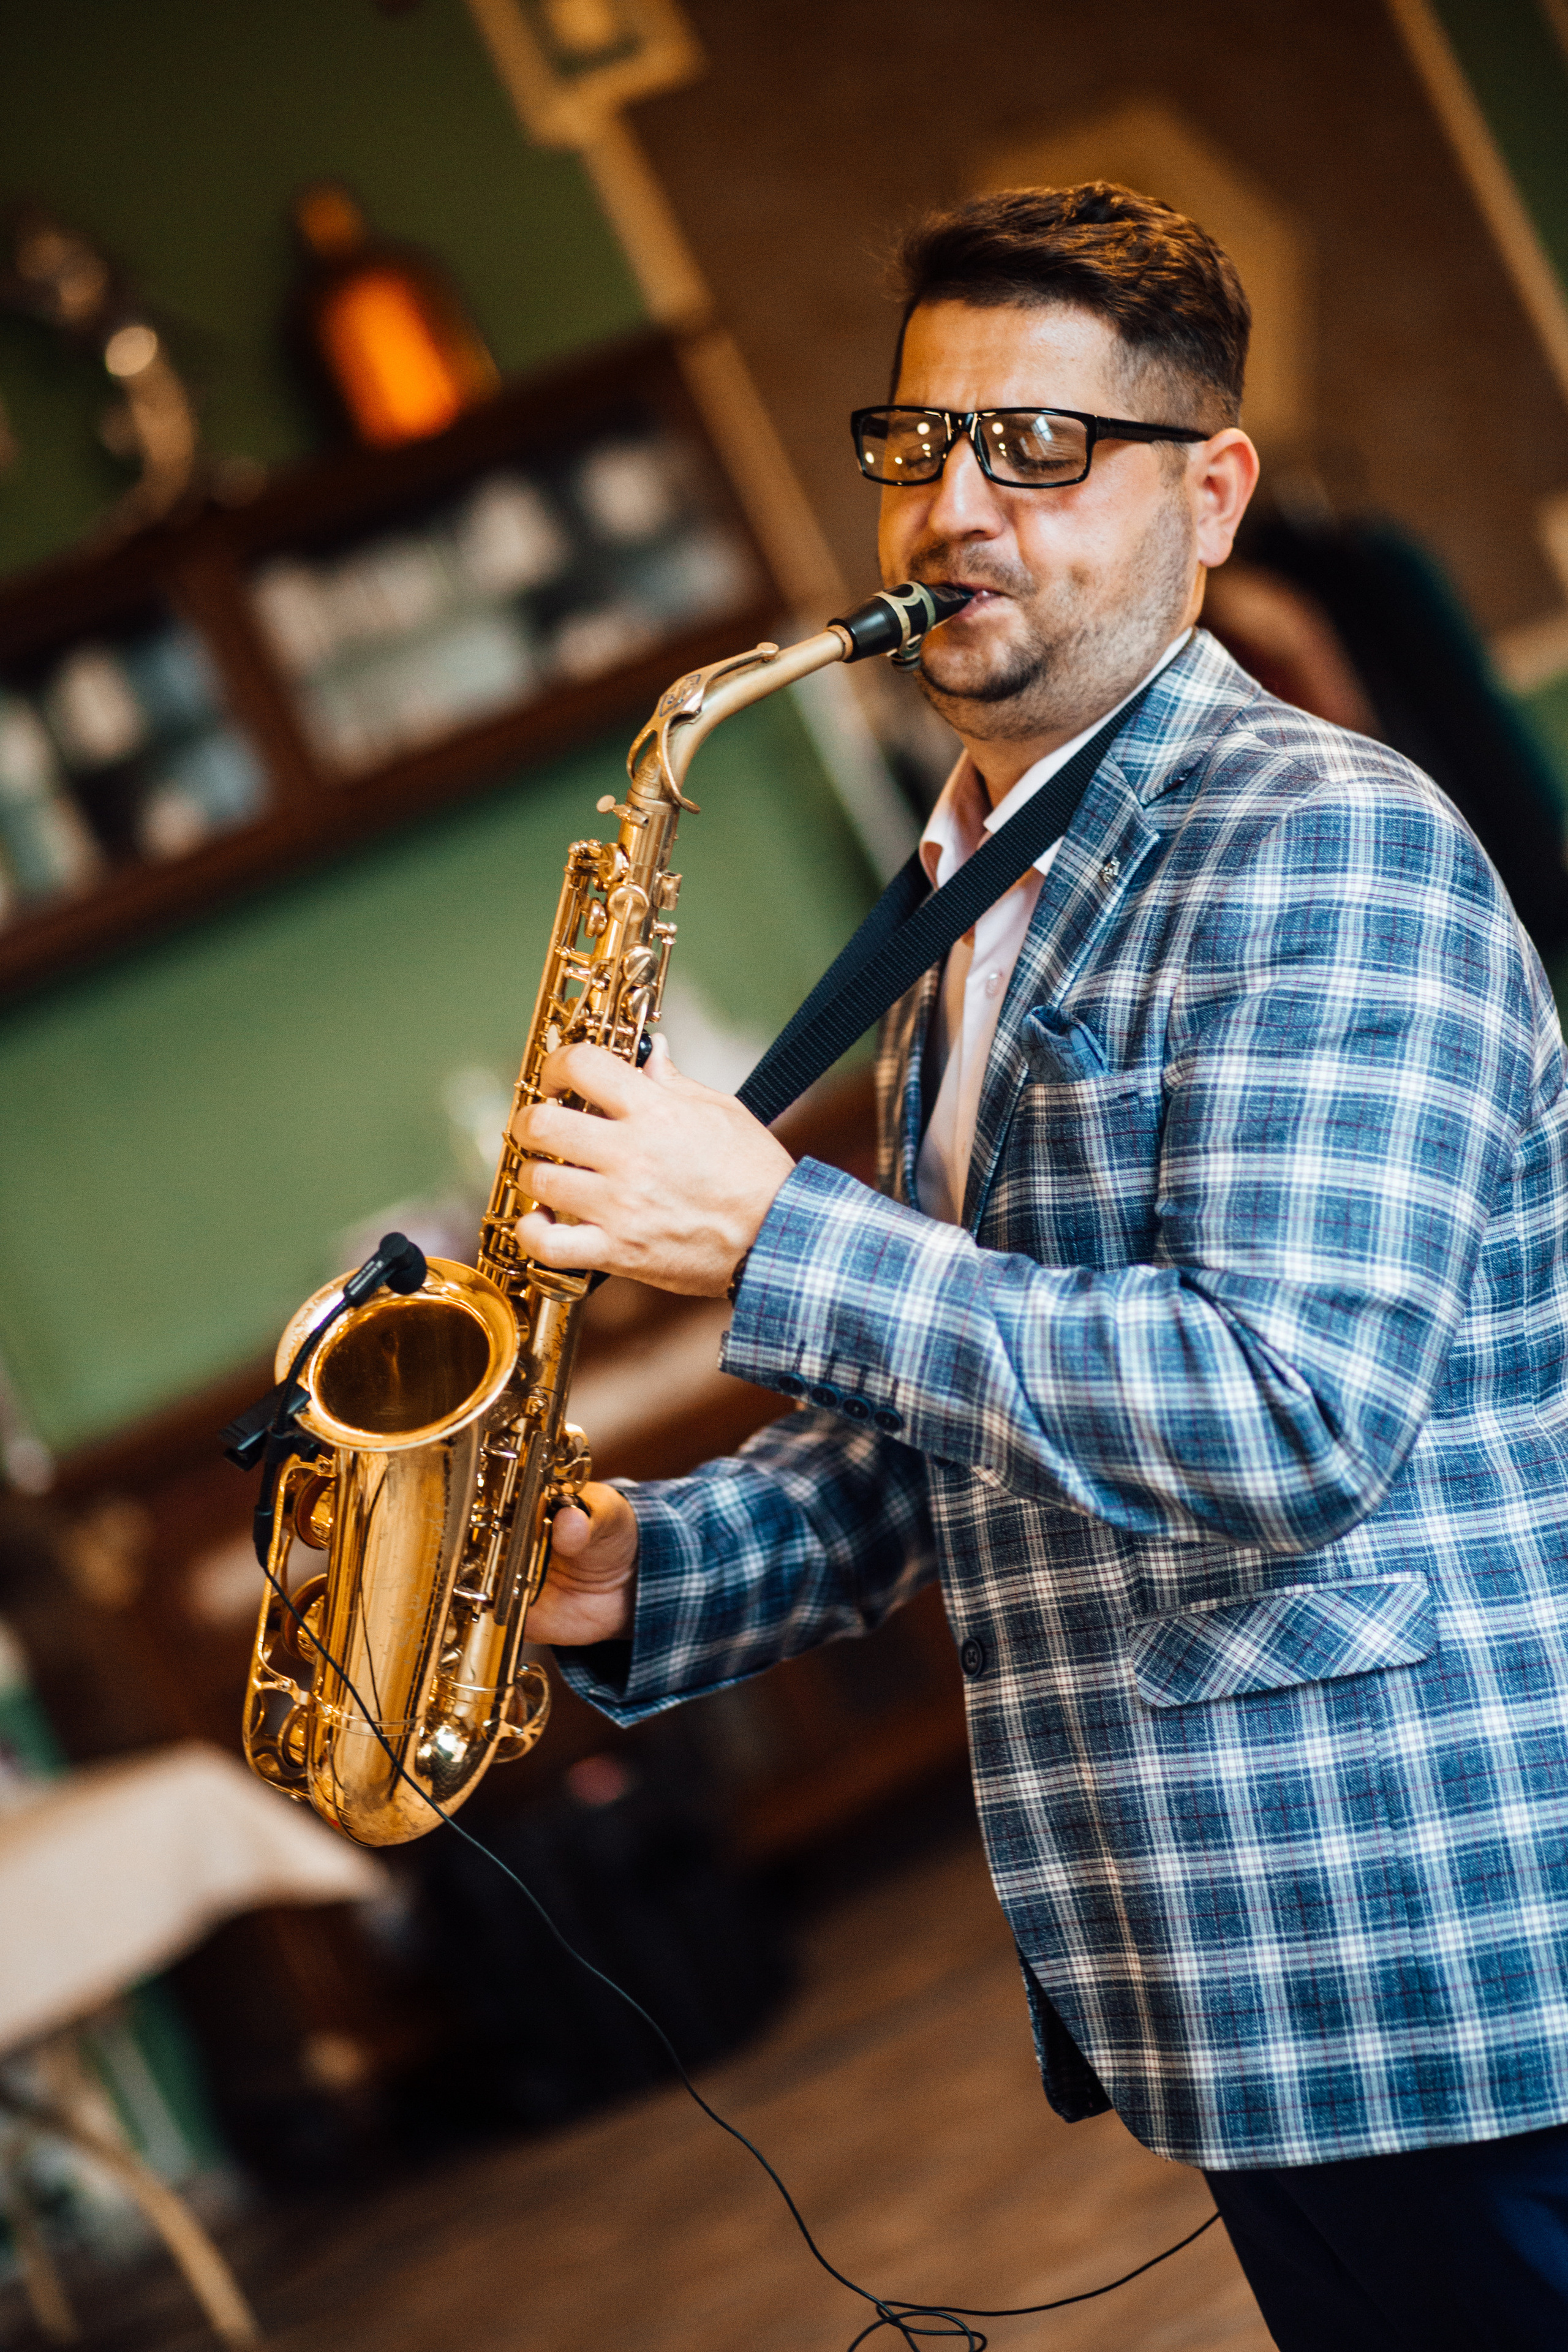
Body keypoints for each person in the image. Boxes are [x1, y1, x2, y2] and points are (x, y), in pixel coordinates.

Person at [509, 184, 1568, 2350]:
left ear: (1212, 497)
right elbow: (964, 1431)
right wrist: (645, 1571)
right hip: (1258, 2004)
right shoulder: (982, 888)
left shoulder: (1324, 848)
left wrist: (783, 1231)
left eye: (1040, 450)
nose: (954, 507)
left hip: (1460, 1973)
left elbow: (1287, 1418)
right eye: (914, 445)